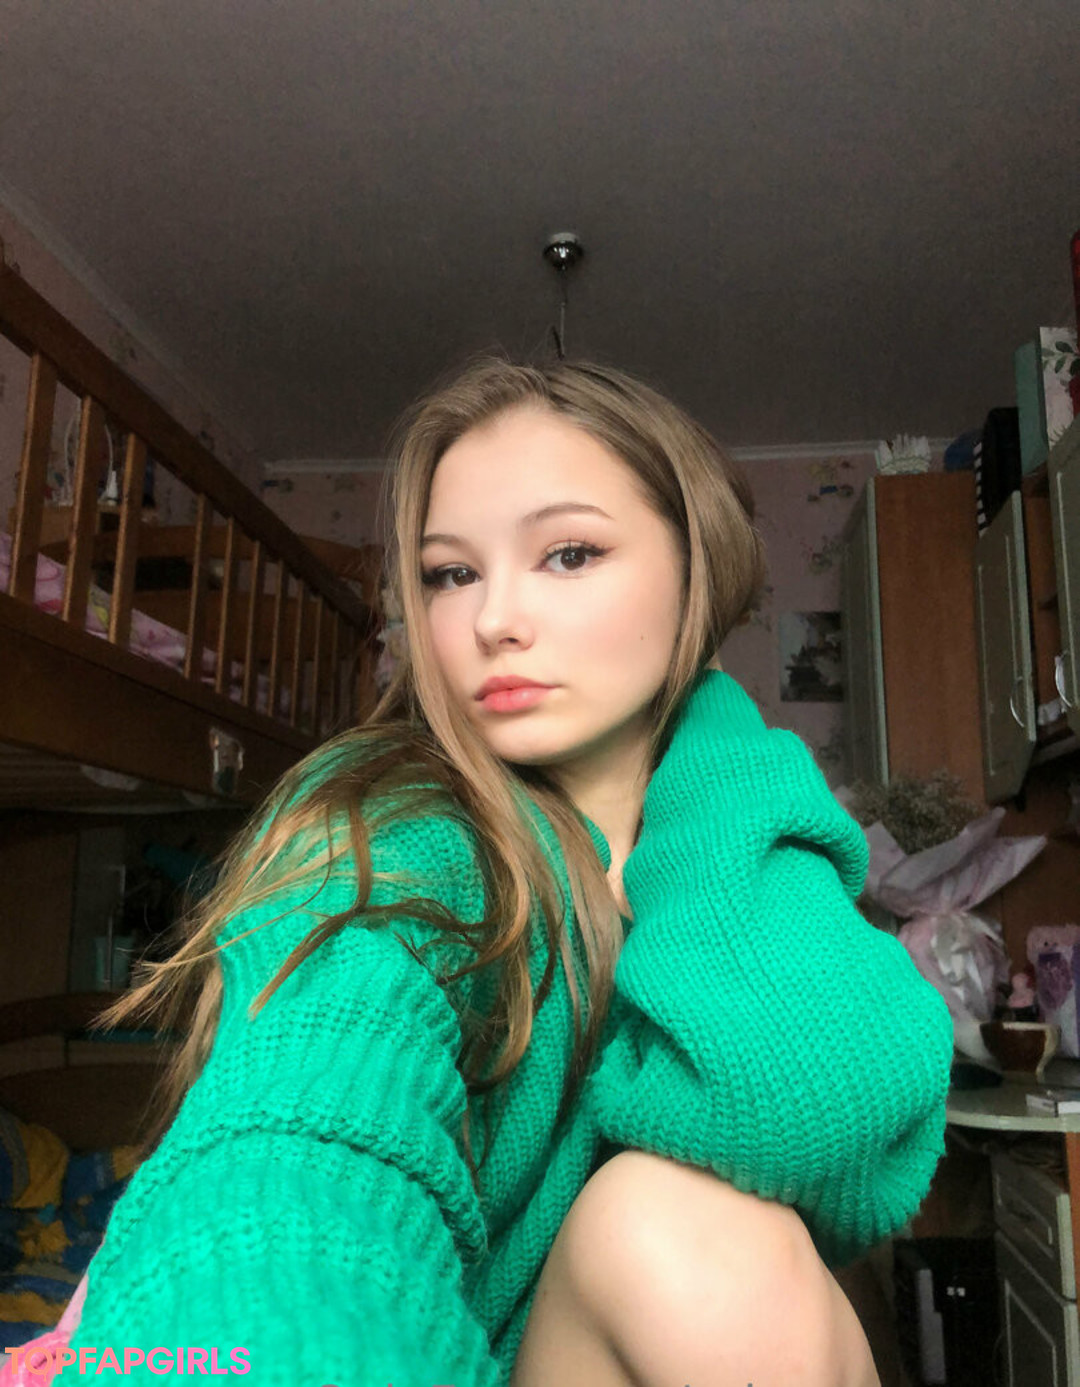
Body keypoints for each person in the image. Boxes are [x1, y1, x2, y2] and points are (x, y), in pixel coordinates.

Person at [3, 357, 953, 1387]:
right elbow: (298, 1142)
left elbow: (820, 1122)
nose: (492, 617)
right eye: (450, 573)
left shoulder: (748, 805)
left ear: (697, 571)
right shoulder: (391, 826)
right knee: (682, 1234)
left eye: (569, 553)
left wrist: (712, 739)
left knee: (695, 1233)